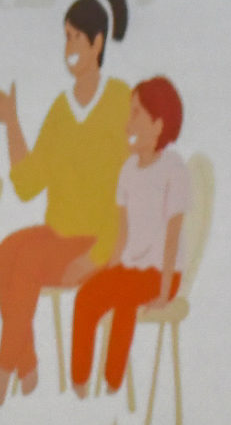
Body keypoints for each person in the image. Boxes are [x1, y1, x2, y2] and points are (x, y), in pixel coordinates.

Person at [0, 0, 130, 402]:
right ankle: (27, 365)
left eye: (75, 38)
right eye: (65, 37)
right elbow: (29, 184)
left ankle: (3, 371)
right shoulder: (61, 111)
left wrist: (98, 255)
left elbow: (130, 193)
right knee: (3, 255)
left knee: (26, 261)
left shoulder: (120, 101)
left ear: (97, 43)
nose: (68, 47)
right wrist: (11, 121)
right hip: (58, 235)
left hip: (96, 242)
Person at [71, 76, 191, 398]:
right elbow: (123, 233)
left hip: (162, 274)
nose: (128, 122)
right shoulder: (127, 170)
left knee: (125, 303)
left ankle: (112, 384)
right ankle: (80, 383)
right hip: (129, 269)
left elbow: (172, 235)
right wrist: (109, 269)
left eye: (136, 113)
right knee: (86, 297)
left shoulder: (174, 169)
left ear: (158, 125)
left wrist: (164, 291)